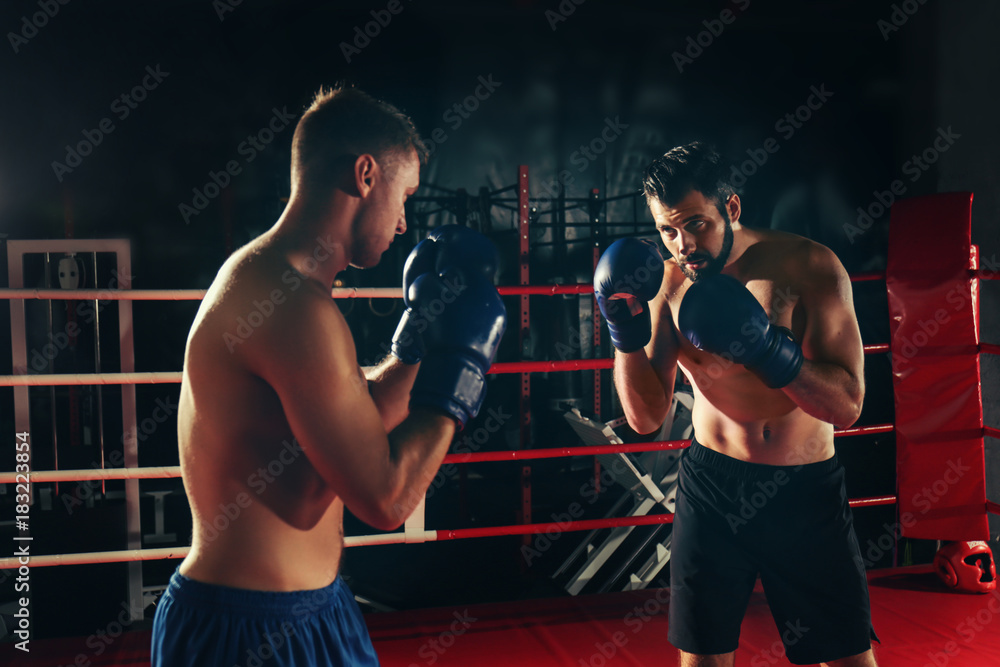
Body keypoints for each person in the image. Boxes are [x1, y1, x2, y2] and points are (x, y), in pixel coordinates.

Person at [151, 86, 506, 666]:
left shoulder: (276, 282)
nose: (403, 224)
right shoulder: (291, 305)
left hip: (318, 608)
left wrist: (421, 342)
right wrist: (461, 373)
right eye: (404, 196)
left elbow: (358, 420)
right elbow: (387, 498)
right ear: (366, 174)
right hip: (247, 630)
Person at [594, 142, 876, 666]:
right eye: (667, 230)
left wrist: (769, 353)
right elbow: (644, 419)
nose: (683, 245)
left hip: (804, 490)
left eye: (696, 224)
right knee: (702, 657)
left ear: (732, 207)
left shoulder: (808, 265)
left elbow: (847, 406)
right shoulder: (667, 284)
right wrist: (623, 335)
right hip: (712, 489)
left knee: (845, 658)